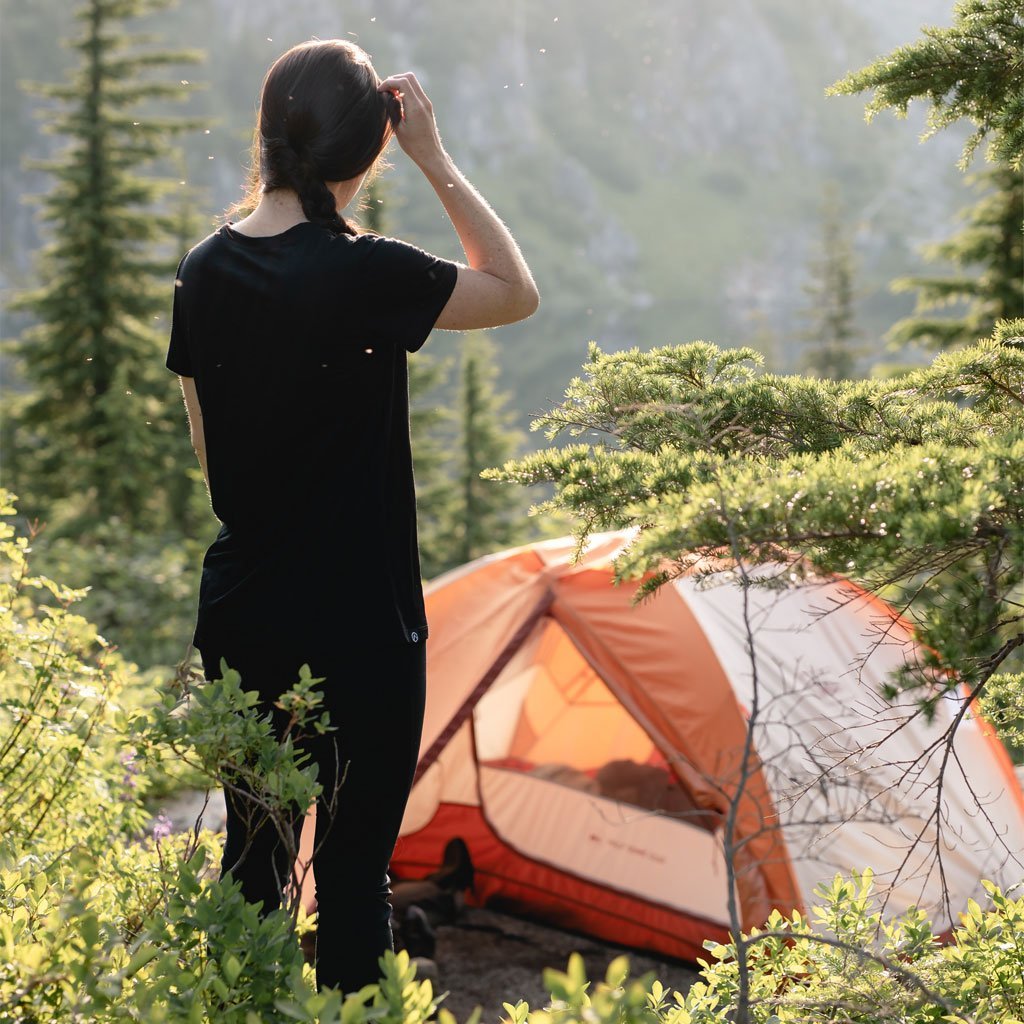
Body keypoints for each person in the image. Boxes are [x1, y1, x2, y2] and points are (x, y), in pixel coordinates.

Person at [164, 38, 538, 995]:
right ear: (367, 153)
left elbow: (212, 460)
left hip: (247, 611)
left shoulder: (203, 271)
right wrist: (438, 162)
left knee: (253, 858)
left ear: (267, 134)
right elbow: (514, 292)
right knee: (354, 877)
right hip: (363, 623)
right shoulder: (367, 272)